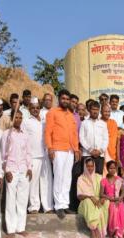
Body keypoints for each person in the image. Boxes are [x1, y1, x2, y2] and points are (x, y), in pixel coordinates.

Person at [45, 89, 80, 219]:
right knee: (59, 177)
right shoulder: (52, 113)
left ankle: (65, 205)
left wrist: (76, 149)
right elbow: (47, 132)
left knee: (67, 178)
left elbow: (74, 134)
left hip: (70, 151)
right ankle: (58, 206)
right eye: (63, 98)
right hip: (58, 149)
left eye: (67, 99)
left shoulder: (71, 115)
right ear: (59, 99)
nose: (65, 101)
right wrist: (50, 148)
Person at [1, 111, 32, 235]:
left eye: (20, 118)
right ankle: (11, 229)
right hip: (12, 171)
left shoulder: (25, 135)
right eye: (16, 118)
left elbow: (28, 153)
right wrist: (6, 170)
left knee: (22, 200)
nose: (18, 120)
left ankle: (21, 228)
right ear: (12, 119)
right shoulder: (6, 135)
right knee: (11, 200)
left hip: (24, 170)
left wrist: (30, 168)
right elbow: (3, 154)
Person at [22, 98, 53, 214]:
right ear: (29, 109)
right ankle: (34, 207)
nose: (35, 110)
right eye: (33, 108)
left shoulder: (45, 121)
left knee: (47, 181)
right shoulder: (26, 121)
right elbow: (23, 140)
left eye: (37, 108)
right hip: (33, 156)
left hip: (45, 155)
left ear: (40, 108)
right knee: (33, 182)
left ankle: (48, 207)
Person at [77, 158, 109, 238]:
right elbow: (79, 196)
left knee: (106, 202)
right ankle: (93, 229)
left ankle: (103, 229)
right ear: (85, 166)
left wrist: (102, 198)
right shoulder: (81, 178)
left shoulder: (99, 177)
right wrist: (91, 197)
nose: (90, 168)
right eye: (88, 166)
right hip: (85, 203)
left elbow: (105, 192)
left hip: (97, 200)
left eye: (91, 166)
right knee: (88, 202)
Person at [100, 160, 124, 238]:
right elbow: (101, 194)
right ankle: (112, 233)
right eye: (110, 168)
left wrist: (120, 198)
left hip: (118, 199)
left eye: (114, 168)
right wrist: (111, 198)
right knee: (113, 209)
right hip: (110, 200)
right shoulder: (103, 180)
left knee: (121, 207)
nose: (112, 170)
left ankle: (123, 232)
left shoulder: (119, 179)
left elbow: (123, 191)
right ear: (107, 169)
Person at [79, 100, 109, 174]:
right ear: (89, 110)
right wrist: (90, 150)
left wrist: (100, 151)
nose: (95, 111)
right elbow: (81, 138)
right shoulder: (84, 123)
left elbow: (106, 139)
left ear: (99, 110)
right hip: (87, 154)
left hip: (100, 155)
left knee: (98, 177)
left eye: (97, 109)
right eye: (93, 109)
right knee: (86, 177)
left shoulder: (103, 124)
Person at [101, 105, 119, 173]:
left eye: (109, 111)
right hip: (102, 153)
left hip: (112, 152)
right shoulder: (98, 122)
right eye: (105, 111)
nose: (107, 113)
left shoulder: (113, 123)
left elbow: (116, 140)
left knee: (112, 174)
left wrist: (117, 155)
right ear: (101, 112)